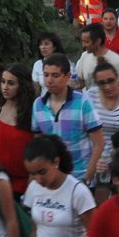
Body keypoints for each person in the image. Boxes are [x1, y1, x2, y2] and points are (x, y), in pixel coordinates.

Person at [34, 52, 105, 188]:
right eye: (46, 75)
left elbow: (99, 143)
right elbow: (38, 144)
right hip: (52, 181)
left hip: (80, 179)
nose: (49, 80)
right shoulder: (38, 105)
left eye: (55, 75)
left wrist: (87, 178)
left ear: (67, 77)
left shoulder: (83, 102)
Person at [0, 65, 37, 201]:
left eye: (11, 83)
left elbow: (36, 153)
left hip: (20, 187)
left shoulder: (32, 113)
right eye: (3, 81)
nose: (5, 87)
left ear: (22, 86)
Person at [84, 61, 119, 196]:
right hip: (94, 155)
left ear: (118, 78)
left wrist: (113, 159)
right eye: (101, 83)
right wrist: (95, 159)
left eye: (111, 81)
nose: (107, 86)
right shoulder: (90, 96)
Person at [78, 23, 119, 94]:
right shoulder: (84, 57)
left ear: (98, 41)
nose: (83, 45)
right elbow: (81, 83)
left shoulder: (118, 62)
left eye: (87, 42)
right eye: (82, 41)